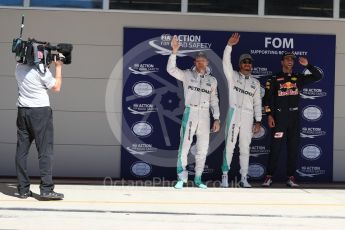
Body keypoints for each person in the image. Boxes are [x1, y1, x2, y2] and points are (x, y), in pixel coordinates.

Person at [167, 35, 220, 189]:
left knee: (202, 148)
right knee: (184, 146)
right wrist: (174, 51)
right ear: (195, 63)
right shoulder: (187, 75)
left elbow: (214, 101)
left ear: (207, 63)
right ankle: (182, 178)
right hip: (190, 112)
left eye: (203, 60)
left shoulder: (212, 80)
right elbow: (171, 69)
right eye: (197, 61)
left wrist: (216, 118)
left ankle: (198, 179)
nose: (200, 63)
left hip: (205, 115)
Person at [262, 51, 322, 187]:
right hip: (279, 118)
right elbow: (266, 99)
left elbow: (318, 76)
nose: (290, 61)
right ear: (282, 62)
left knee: (293, 149)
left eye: (292, 59)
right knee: (276, 148)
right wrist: (269, 115)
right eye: (287, 59)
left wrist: (308, 65)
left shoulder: (298, 77)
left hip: (294, 118)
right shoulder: (273, 78)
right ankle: (269, 176)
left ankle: (291, 177)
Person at [15, 54, 64, 200]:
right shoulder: (41, 70)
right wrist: (59, 67)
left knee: (21, 151)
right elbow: (56, 87)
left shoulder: (18, 68)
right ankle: (46, 189)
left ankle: (23, 190)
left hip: (23, 111)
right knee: (45, 150)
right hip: (40, 112)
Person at [221, 33, 262, 188]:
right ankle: (224, 175)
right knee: (230, 146)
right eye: (244, 62)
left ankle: (244, 178)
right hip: (234, 113)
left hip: (248, 116)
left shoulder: (255, 83)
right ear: (240, 65)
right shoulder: (232, 76)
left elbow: (258, 103)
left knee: (245, 148)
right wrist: (229, 46)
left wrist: (258, 121)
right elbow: (225, 63)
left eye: (249, 63)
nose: (247, 64)